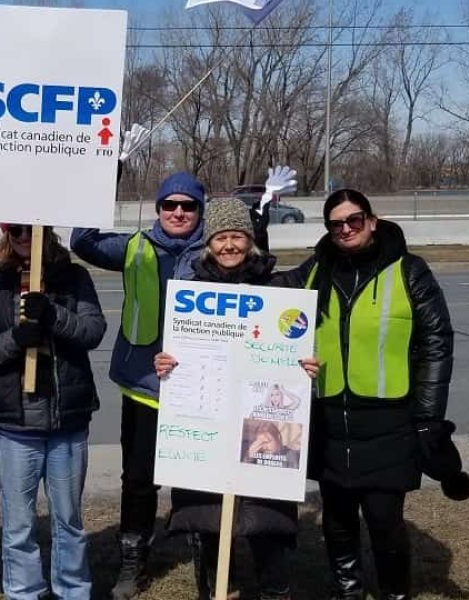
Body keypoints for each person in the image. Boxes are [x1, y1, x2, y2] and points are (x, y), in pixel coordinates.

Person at [280, 189, 455, 600]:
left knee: (383, 518)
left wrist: (429, 418)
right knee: (337, 518)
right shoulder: (315, 270)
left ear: (372, 221)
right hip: (328, 419)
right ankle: (349, 589)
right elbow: (266, 290)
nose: (345, 229)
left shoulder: (409, 271)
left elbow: (437, 343)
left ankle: (395, 593)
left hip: (388, 423)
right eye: (335, 224)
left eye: (354, 220)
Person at [154, 197, 319, 600]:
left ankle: (274, 590)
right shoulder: (191, 293)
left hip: (262, 422)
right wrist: (165, 362)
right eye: (221, 237)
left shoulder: (279, 288)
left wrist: (306, 368)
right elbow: (177, 353)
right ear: (209, 244)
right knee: (208, 520)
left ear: (250, 242)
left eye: (237, 237)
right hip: (208, 427)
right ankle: (214, 589)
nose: (229, 245)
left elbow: (294, 345)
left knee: (269, 520)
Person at [70, 171, 207, 598]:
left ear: (201, 211)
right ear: (158, 209)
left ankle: (207, 559)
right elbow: (82, 241)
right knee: (139, 479)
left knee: (197, 479)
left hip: (199, 389)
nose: (179, 212)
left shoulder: (216, 251)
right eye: (170, 205)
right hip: (144, 385)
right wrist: (105, 179)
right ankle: (134, 560)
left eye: (188, 205)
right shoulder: (134, 247)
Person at [0, 224, 106, 599]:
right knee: (18, 525)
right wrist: (16, 339)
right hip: (13, 424)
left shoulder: (74, 277)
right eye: (17, 231)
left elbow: (94, 331)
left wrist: (53, 317)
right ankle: (24, 592)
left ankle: (73, 590)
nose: (25, 237)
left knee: (69, 520)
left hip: (66, 422)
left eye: (32, 230)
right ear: (6, 234)